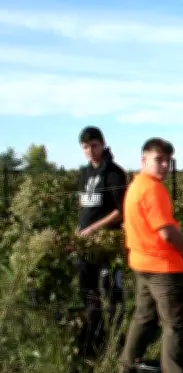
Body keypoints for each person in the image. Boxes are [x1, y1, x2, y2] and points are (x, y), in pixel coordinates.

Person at [118, 138, 183, 373]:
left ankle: (126, 372)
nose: (164, 166)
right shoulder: (153, 189)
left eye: (168, 161)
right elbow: (166, 232)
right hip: (164, 268)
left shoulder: (135, 186)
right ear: (144, 160)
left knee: (143, 318)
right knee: (175, 327)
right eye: (158, 159)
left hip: (141, 264)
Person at [74, 126, 128, 358]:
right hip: (85, 245)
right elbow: (82, 204)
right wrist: (79, 231)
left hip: (106, 243)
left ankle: (116, 342)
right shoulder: (84, 173)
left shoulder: (114, 173)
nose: (90, 151)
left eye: (94, 145)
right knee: (88, 292)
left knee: (110, 292)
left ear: (103, 144)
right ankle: (94, 338)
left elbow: (119, 211)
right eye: (85, 147)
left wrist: (94, 229)